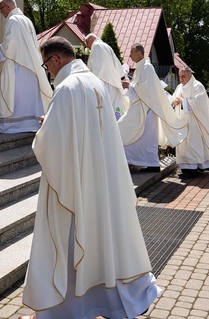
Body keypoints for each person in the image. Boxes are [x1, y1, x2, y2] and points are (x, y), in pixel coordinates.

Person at [21, 37, 161, 318]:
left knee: (71, 239)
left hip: (77, 181)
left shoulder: (66, 88)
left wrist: (44, 127)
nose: (48, 71)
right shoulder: (95, 83)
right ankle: (113, 302)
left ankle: (62, 311)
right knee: (103, 240)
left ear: (56, 59)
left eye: (47, 65)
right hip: (102, 177)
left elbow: (50, 144)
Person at [118, 43, 186, 173]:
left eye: (132, 53)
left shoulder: (147, 67)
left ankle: (151, 163)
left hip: (147, 110)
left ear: (139, 53)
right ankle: (147, 162)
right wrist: (132, 85)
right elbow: (141, 86)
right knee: (143, 138)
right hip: (142, 108)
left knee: (142, 137)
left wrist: (129, 85)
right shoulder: (140, 68)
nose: (130, 56)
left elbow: (145, 89)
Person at [0, 0, 52, 134]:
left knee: (16, 95)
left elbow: (10, 43)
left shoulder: (13, 20)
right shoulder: (26, 19)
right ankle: (30, 123)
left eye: (1, 9)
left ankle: (12, 125)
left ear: (7, 7)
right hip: (31, 66)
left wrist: (0, 48)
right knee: (29, 96)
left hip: (17, 66)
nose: (1, 13)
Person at [171, 68, 209, 177]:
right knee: (184, 145)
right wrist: (175, 101)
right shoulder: (179, 87)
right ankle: (186, 168)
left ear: (190, 75)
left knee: (193, 144)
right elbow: (174, 98)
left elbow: (199, 104)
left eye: (183, 76)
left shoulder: (197, 86)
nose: (181, 79)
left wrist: (183, 101)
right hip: (182, 121)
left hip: (195, 122)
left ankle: (192, 169)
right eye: (180, 76)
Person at [85, 33, 127, 119]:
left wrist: (90, 82)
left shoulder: (97, 46)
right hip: (114, 83)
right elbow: (117, 64)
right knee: (115, 109)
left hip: (104, 83)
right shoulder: (106, 46)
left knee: (105, 112)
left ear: (90, 40)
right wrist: (121, 77)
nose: (88, 47)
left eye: (87, 44)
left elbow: (97, 68)